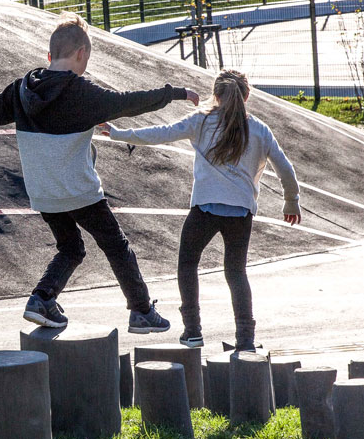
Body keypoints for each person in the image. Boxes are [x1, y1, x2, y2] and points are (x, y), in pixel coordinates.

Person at [0, 14, 194, 335]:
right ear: (80, 54)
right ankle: (142, 312)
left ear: (50, 56)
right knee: (116, 246)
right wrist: (175, 92)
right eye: (86, 60)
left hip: (44, 193)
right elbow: (129, 103)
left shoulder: (21, 90)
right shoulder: (82, 91)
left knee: (71, 248)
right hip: (79, 191)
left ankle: (41, 299)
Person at [101, 69, 298, 352]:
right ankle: (246, 339)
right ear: (247, 96)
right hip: (240, 213)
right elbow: (285, 168)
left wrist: (119, 133)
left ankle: (192, 331)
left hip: (204, 210)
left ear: (215, 96)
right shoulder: (259, 129)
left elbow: (162, 133)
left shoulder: (202, 121)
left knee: (188, 264)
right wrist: (291, 201)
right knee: (236, 273)